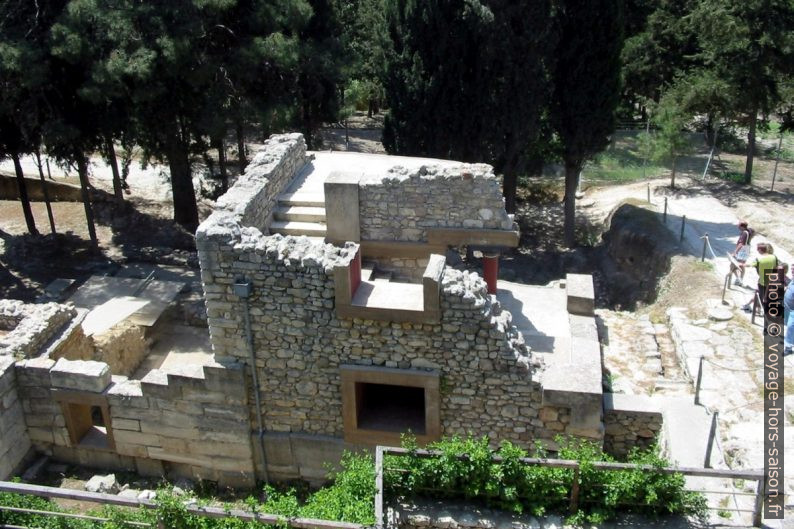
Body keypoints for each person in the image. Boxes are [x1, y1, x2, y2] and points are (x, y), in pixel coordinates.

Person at [741, 242, 779, 314]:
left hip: (762, 281)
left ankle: (761, 311)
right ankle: (752, 307)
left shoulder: (759, 258)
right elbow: (775, 268)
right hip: (771, 281)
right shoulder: (774, 257)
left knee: (761, 297)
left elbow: (750, 265)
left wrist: (742, 265)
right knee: (759, 295)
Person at [730, 221, 753, 286]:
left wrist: (735, 252)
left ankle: (739, 279)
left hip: (742, 250)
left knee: (733, 265)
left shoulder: (744, 233)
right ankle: (740, 279)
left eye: (739, 225)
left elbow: (741, 244)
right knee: (741, 265)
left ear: (742, 226)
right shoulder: (748, 232)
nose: (738, 226)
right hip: (746, 250)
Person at [785, 264, 793, 355]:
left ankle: (788, 347)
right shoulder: (792, 280)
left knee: (791, 326)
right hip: (788, 307)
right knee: (788, 325)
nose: (792, 272)